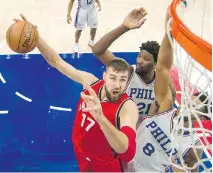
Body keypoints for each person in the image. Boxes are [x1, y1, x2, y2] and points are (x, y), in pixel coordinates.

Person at [14, 14, 138, 172]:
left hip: (104, 165)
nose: (117, 85)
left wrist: (101, 119)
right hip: (83, 155)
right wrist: (36, 38)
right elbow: (57, 62)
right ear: (104, 77)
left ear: (127, 82)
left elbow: (128, 153)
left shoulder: (127, 107)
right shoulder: (91, 82)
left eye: (122, 80)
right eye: (113, 78)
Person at [126, 9, 205, 173]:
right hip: (127, 161)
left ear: (201, 118)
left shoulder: (192, 147)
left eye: (193, 109)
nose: (186, 108)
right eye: (189, 104)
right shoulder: (165, 107)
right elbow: (162, 68)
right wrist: (169, 35)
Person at [92, 8, 161, 123]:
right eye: (139, 56)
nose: (139, 60)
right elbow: (98, 50)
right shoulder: (128, 71)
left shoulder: (161, 82)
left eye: (146, 59)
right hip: (120, 125)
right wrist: (124, 27)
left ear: (155, 65)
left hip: (145, 131)